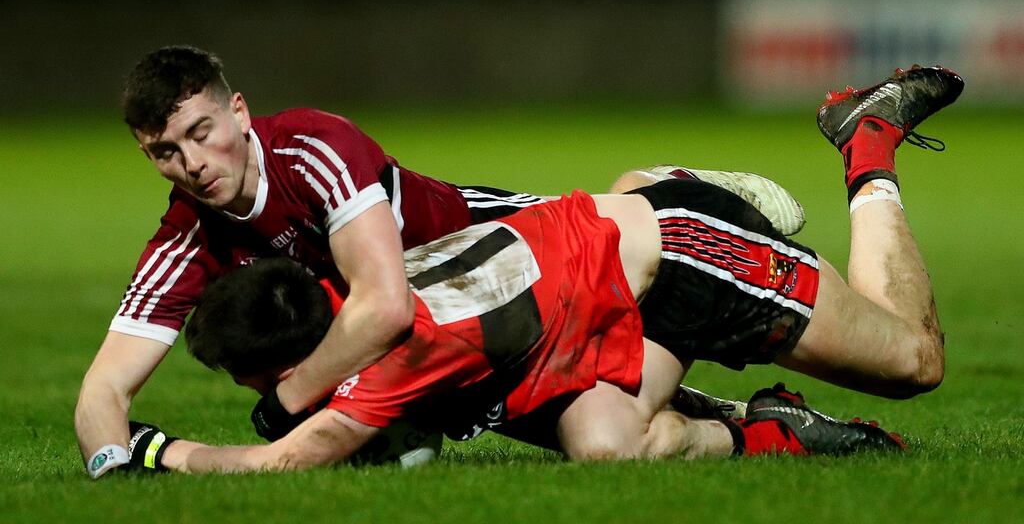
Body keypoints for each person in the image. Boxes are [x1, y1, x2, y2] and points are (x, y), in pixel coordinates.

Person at [119, 64, 962, 473]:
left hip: (682, 257)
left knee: (912, 363)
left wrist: (164, 453)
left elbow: (286, 459)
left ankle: (866, 146)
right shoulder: (347, 300)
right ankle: (778, 429)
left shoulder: (383, 335)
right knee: (604, 448)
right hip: (603, 296)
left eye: (251, 380)